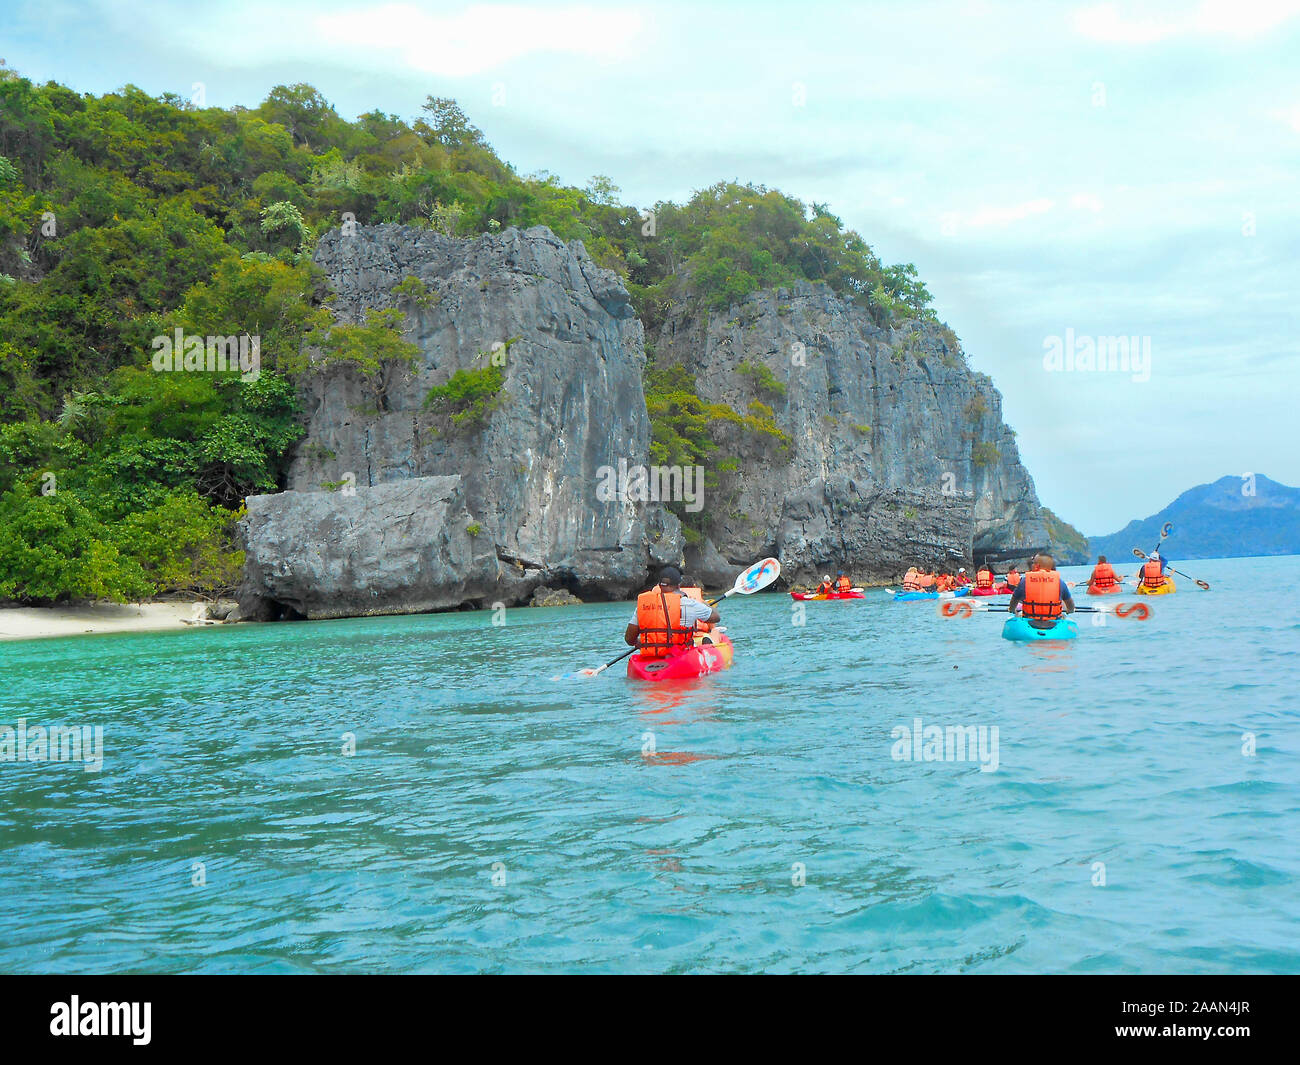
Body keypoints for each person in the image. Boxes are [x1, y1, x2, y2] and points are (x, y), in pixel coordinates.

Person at [625, 567, 719, 657]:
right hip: (680, 655)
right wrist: (705, 604)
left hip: (651, 656)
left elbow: (629, 639)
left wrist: (640, 643)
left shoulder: (644, 605)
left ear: (659, 585)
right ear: (678, 585)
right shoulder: (689, 603)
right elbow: (716, 617)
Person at [1007, 553, 1075, 629]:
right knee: (1064, 617)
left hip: (1030, 622)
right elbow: (1070, 605)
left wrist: (1011, 609)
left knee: (1018, 615)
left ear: (1037, 566)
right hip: (1053, 623)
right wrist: (1070, 610)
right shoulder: (1060, 582)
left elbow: (1014, 601)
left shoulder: (1024, 581)